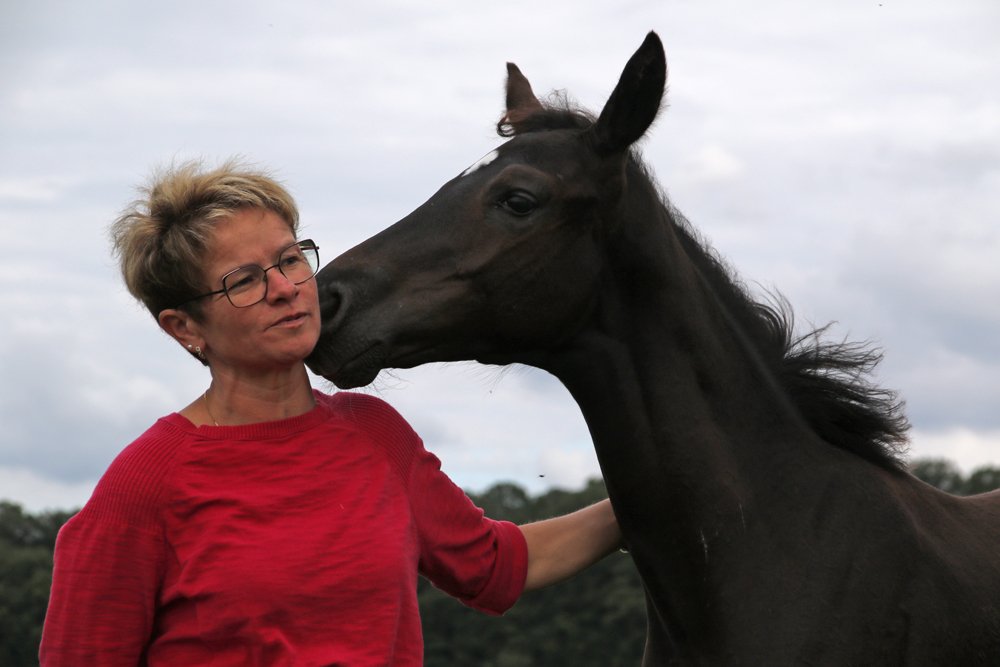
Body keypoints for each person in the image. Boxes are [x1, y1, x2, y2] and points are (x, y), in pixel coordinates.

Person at [39, 159, 622, 666]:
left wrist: (648, 500)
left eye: (291, 260)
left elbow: (496, 565)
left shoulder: (375, 433)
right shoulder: (145, 483)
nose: (285, 288)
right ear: (184, 327)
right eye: (244, 281)